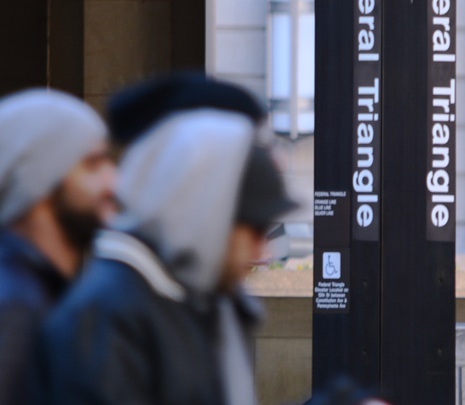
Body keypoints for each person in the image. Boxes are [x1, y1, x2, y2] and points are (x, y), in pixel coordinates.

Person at [40, 99, 296, 403]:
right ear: (209, 218)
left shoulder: (191, 299)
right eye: (255, 230)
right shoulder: (109, 316)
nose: (264, 250)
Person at [0, 89, 115, 404]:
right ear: (39, 182)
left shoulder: (40, 292)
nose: (112, 182)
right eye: (92, 164)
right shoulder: (17, 307)